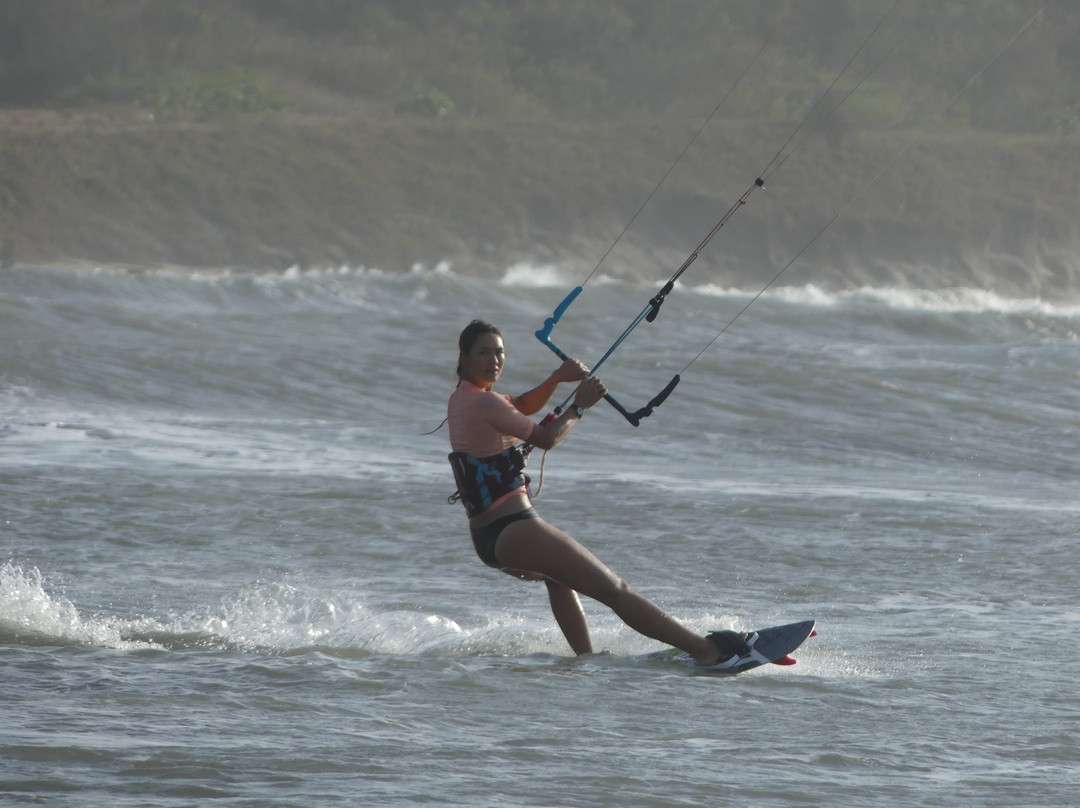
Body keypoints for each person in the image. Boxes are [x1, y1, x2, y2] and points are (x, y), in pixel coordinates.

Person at [446, 319, 749, 668]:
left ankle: (586, 659)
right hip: (512, 527)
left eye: (499, 352)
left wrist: (558, 377)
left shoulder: (465, 400)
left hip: (489, 537)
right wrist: (579, 405)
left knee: (559, 581)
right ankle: (707, 651)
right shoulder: (487, 404)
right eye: (484, 352)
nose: (494, 360)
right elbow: (545, 439)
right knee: (614, 589)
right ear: (465, 358)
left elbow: (522, 405)